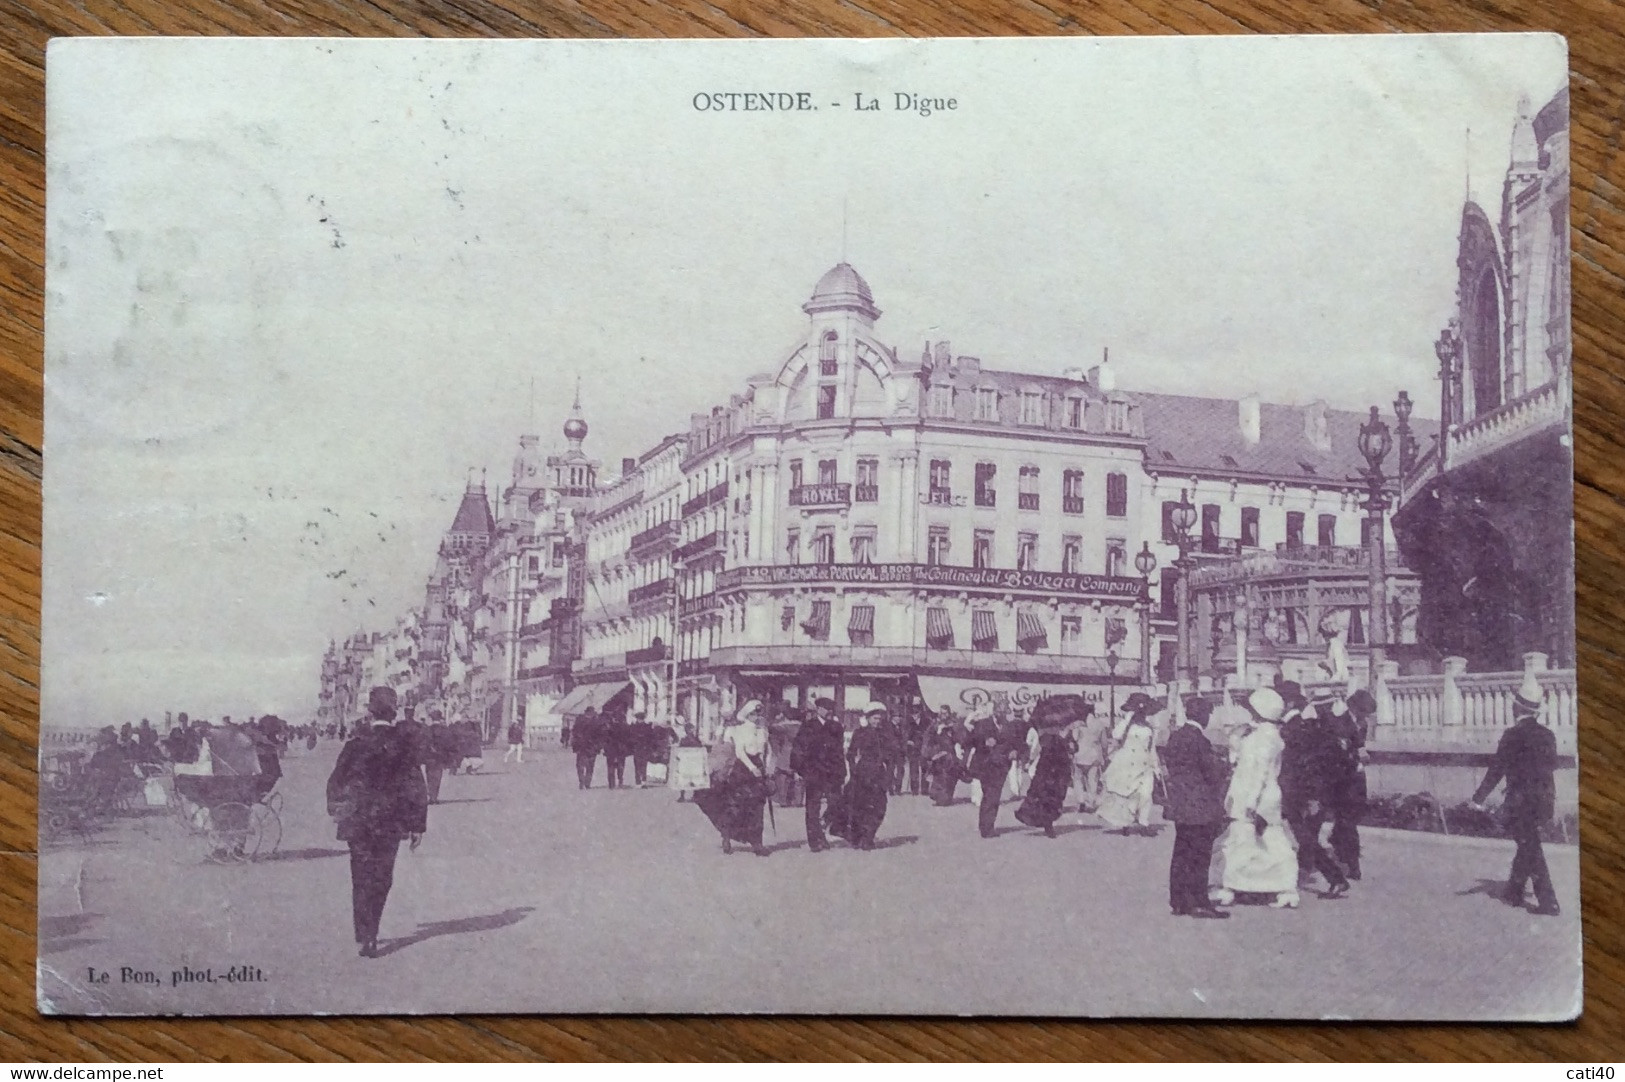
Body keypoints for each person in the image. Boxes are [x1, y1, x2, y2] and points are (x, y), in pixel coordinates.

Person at [325, 686, 429, 958]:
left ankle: (362, 934)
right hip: (390, 822)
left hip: (358, 821)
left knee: (360, 875)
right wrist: (417, 824)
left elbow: (336, 782)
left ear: (370, 712)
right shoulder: (404, 747)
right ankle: (372, 934)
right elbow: (416, 786)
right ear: (394, 713)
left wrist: (335, 808)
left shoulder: (355, 745)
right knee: (383, 876)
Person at [1469, 672, 1561, 915]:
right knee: (1526, 842)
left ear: (1516, 707)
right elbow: (1551, 766)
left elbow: (1496, 769)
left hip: (1521, 801)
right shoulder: (1548, 735)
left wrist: (1478, 798)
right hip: (1544, 799)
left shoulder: (1512, 735)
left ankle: (1548, 902)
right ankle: (1514, 891)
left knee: (1530, 846)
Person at [1213, 687, 1300, 909]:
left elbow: (1259, 772)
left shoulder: (1264, 738)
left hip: (1256, 797)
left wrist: (1251, 802)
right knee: (1267, 842)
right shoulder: (1267, 734)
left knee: (1245, 841)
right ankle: (1279, 886)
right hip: (1261, 795)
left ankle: (1234, 886)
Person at [1160, 697, 1230, 918]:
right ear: (1203, 715)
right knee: (1200, 856)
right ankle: (1199, 902)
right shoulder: (1200, 740)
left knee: (1181, 853)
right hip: (1200, 805)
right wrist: (1224, 766)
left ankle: (1179, 901)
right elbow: (1211, 772)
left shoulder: (1176, 737)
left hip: (1181, 803)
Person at [1280, 690, 1350, 898]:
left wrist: (1313, 797)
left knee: (1306, 838)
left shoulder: (1304, 730)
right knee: (1305, 838)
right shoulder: (1311, 728)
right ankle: (1329, 877)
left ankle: (1335, 878)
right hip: (1306, 793)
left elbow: (1311, 767)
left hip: (1302, 794)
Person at [692, 700, 773, 856]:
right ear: (747, 715)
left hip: (759, 768)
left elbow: (767, 751)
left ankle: (757, 843)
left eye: (759, 713)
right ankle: (727, 836)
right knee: (737, 806)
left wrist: (767, 767)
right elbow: (740, 752)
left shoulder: (763, 731)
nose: (756, 717)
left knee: (757, 807)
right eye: (753, 714)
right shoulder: (739, 730)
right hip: (743, 768)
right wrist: (752, 768)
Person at [1015, 698, 1084, 838]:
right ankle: (1048, 825)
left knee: (1057, 796)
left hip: (1061, 769)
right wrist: (1063, 739)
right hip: (1047, 770)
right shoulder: (1045, 735)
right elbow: (1048, 749)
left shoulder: (1065, 733)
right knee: (1046, 796)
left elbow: (1073, 748)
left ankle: (1048, 822)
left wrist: (1071, 744)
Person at [1097, 693, 1164, 836]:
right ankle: (1125, 823)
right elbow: (1116, 735)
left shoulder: (1149, 728)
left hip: (1144, 765)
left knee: (1146, 794)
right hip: (1127, 763)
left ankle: (1143, 823)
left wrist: (1156, 766)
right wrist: (1127, 718)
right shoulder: (1126, 725)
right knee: (1127, 794)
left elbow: (1151, 748)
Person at [1329, 688, 1375, 880]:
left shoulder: (1362, 725)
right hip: (1342, 779)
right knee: (1348, 822)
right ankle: (1352, 865)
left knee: (1348, 819)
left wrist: (1361, 754)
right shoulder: (1340, 723)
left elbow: (1358, 746)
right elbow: (1337, 753)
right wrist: (1357, 754)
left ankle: (1339, 849)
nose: (1366, 717)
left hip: (1357, 779)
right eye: (1364, 712)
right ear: (1354, 707)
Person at [791, 697, 846, 852]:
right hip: (814, 772)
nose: (829, 711)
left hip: (832, 772)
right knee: (812, 806)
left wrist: (842, 771)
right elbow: (798, 749)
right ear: (818, 709)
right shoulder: (808, 726)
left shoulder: (836, 727)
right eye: (825, 708)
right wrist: (800, 770)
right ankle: (815, 841)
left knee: (836, 802)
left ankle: (823, 824)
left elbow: (839, 751)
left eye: (831, 708)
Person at [841, 703, 893, 849]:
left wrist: (889, 773)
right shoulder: (860, 733)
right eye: (875, 718)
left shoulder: (885, 734)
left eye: (879, 718)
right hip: (863, 773)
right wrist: (853, 772)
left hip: (879, 774)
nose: (877, 721)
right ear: (868, 718)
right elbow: (851, 754)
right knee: (861, 807)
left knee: (879, 807)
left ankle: (869, 835)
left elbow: (890, 755)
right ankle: (863, 838)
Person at [964, 701, 1015, 839]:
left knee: (994, 795)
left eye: (1004, 713)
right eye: (999, 712)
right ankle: (987, 828)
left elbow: (1017, 742)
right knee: (991, 794)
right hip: (985, 765)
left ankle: (986, 825)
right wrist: (984, 742)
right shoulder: (983, 724)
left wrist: (1015, 751)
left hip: (1002, 766)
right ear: (994, 712)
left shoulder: (1009, 727)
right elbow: (970, 740)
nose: (1001, 715)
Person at [1069, 704, 1110, 814]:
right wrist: (1105, 754)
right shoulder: (1100, 724)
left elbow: (1074, 738)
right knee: (1093, 780)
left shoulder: (1078, 724)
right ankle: (1091, 803)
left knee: (1077, 779)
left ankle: (1081, 800)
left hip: (1079, 755)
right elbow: (1104, 743)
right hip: (1094, 756)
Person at [922, 710, 963, 806]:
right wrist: (938, 731)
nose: (943, 715)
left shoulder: (953, 725)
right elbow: (928, 737)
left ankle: (946, 799)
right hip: (938, 756)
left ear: (949, 714)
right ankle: (938, 797)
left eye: (945, 713)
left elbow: (958, 738)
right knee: (938, 777)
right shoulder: (934, 725)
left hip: (950, 756)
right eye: (942, 713)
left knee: (949, 778)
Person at [571, 708, 601, 789]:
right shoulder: (595, 723)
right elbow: (599, 736)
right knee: (589, 766)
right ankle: (587, 782)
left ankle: (582, 781)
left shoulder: (579, 721)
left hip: (582, 747)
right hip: (590, 747)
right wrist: (598, 747)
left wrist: (575, 746)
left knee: (581, 766)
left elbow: (574, 734)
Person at [602, 712, 629, 789]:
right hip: (620, 750)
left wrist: (605, 748)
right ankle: (620, 782)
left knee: (611, 767)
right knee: (620, 767)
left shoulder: (608, 727)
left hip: (611, 750)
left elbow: (605, 739)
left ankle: (611, 784)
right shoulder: (624, 727)